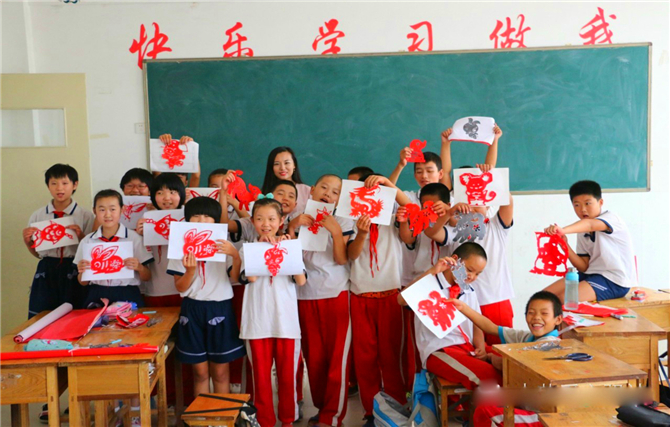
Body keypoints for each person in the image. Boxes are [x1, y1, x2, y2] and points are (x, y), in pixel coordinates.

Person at [230, 197, 307, 427]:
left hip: (286, 324)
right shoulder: (247, 250)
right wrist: (261, 249)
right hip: (257, 324)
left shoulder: (290, 246)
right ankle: (264, 421)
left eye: (272, 219)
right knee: (261, 378)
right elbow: (250, 278)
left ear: (281, 221)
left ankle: (288, 420)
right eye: (260, 219)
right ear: (252, 221)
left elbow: (301, 280)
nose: (266, 224)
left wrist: (287, 250)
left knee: (287, 376)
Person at [288, 174, 354, 427]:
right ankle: (321, 408)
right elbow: (288, 258)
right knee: (313, 358)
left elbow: (341, 259)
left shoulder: (342, 219)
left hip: (335, 293)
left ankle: (332, 416)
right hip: (304, 294)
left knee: (336, 358)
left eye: (335, 192)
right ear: (313, 190)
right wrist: (292, 227)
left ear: (339, 199)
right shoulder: (299, 217)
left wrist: (335, 232)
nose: (328, 193)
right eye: (324, 188)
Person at [347, 174, 411, 427]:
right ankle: (370, 411)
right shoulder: (350, 217)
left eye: (374, 192)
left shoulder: (393, 215)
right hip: (360, 295)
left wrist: (389, 184)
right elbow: (352, 255)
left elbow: (412, 209)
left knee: (391, 356)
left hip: (390, 295)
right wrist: (362, 233)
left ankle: (396, 407)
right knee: (365, 358)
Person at [167, 197, 246, 396]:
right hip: (192, 308)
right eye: (196, 215)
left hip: (220, 307)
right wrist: (190, 271)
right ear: (187, 219)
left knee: (220, 372)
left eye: (207, 216)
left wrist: (235, 255)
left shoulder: (223, 244)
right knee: (200, 372)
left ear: (216, 220)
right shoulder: (179, 246)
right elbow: (180, 286)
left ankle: (221, 414)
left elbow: (235, 277)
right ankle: (201, 414)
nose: (202, 220)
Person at [398, 243, 500, 394]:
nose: (472, 277)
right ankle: (492, 407)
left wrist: (481, 349)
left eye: (478, 274)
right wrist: (432, 271)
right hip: (440, 350)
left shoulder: (469, 290)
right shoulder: (430, 282)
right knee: (489, 376)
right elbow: (401, 299)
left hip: (467, 347)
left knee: (511, 362)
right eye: (469, 270)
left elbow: (476, 322)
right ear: (455, 260)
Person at [453, 291, 562, 427]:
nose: (536, 318)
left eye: (544, 313)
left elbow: (505, 364)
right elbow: (491, 328)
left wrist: (492, 358)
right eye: (531, 313)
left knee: (485, 411)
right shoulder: (526, 337)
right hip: (527, 402)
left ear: (558, 319)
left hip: (544, 417)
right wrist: (463, 307)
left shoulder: (550, 344)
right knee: (484, 398)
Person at [543, 180, 636, 302]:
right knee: (543, 297)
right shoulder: (582, 230)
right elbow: (583, 267)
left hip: (614, 280)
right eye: (577, 205)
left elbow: (590, 225)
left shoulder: (611, 219)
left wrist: (563, 230)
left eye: (588, 203)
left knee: (564, 298)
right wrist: (564, 244)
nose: (583, 209)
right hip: (590, 275)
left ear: (600, 202)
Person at [23, 163, 94, 317]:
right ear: (48, 186)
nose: (59, 188)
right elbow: (38, 254)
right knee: (42, 314)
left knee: (74, 314)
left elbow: (92, 250)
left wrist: (81, 236)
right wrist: (28, 242)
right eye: (54, 183)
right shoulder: (38, 215)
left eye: (64, 183)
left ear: (75, 185)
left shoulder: (85, 215)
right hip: (47, 269)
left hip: (74, 268)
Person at [75, 189, 152, 308]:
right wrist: (82, 271)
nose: (107, 214)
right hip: (96, 293)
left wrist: (139, 267)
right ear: (94, 211)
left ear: (122, 209)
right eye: (102, 210)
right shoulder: (87, 241)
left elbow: (147, 277)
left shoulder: (134, 238)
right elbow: (83, 282)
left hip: (127, 293)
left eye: (112, 209)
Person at [261, 147, 310, 215]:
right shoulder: (265, 194)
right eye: (276, 164)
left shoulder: (307, 191)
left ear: (294, 165)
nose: (282, 168)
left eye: (287, 163)